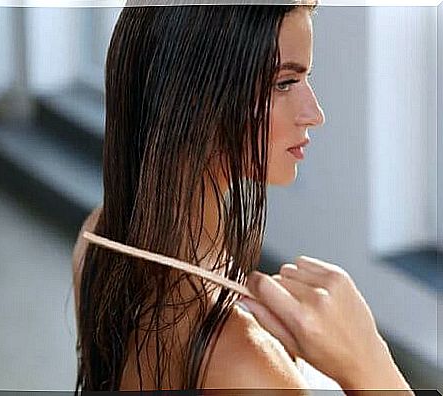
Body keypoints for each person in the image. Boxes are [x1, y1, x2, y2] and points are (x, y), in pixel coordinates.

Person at [72, 3, 414, 393]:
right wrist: (370, 362)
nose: (314, 113)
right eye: (284, 83)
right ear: (197, 96)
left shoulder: (98, 238)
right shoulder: (245, 363)